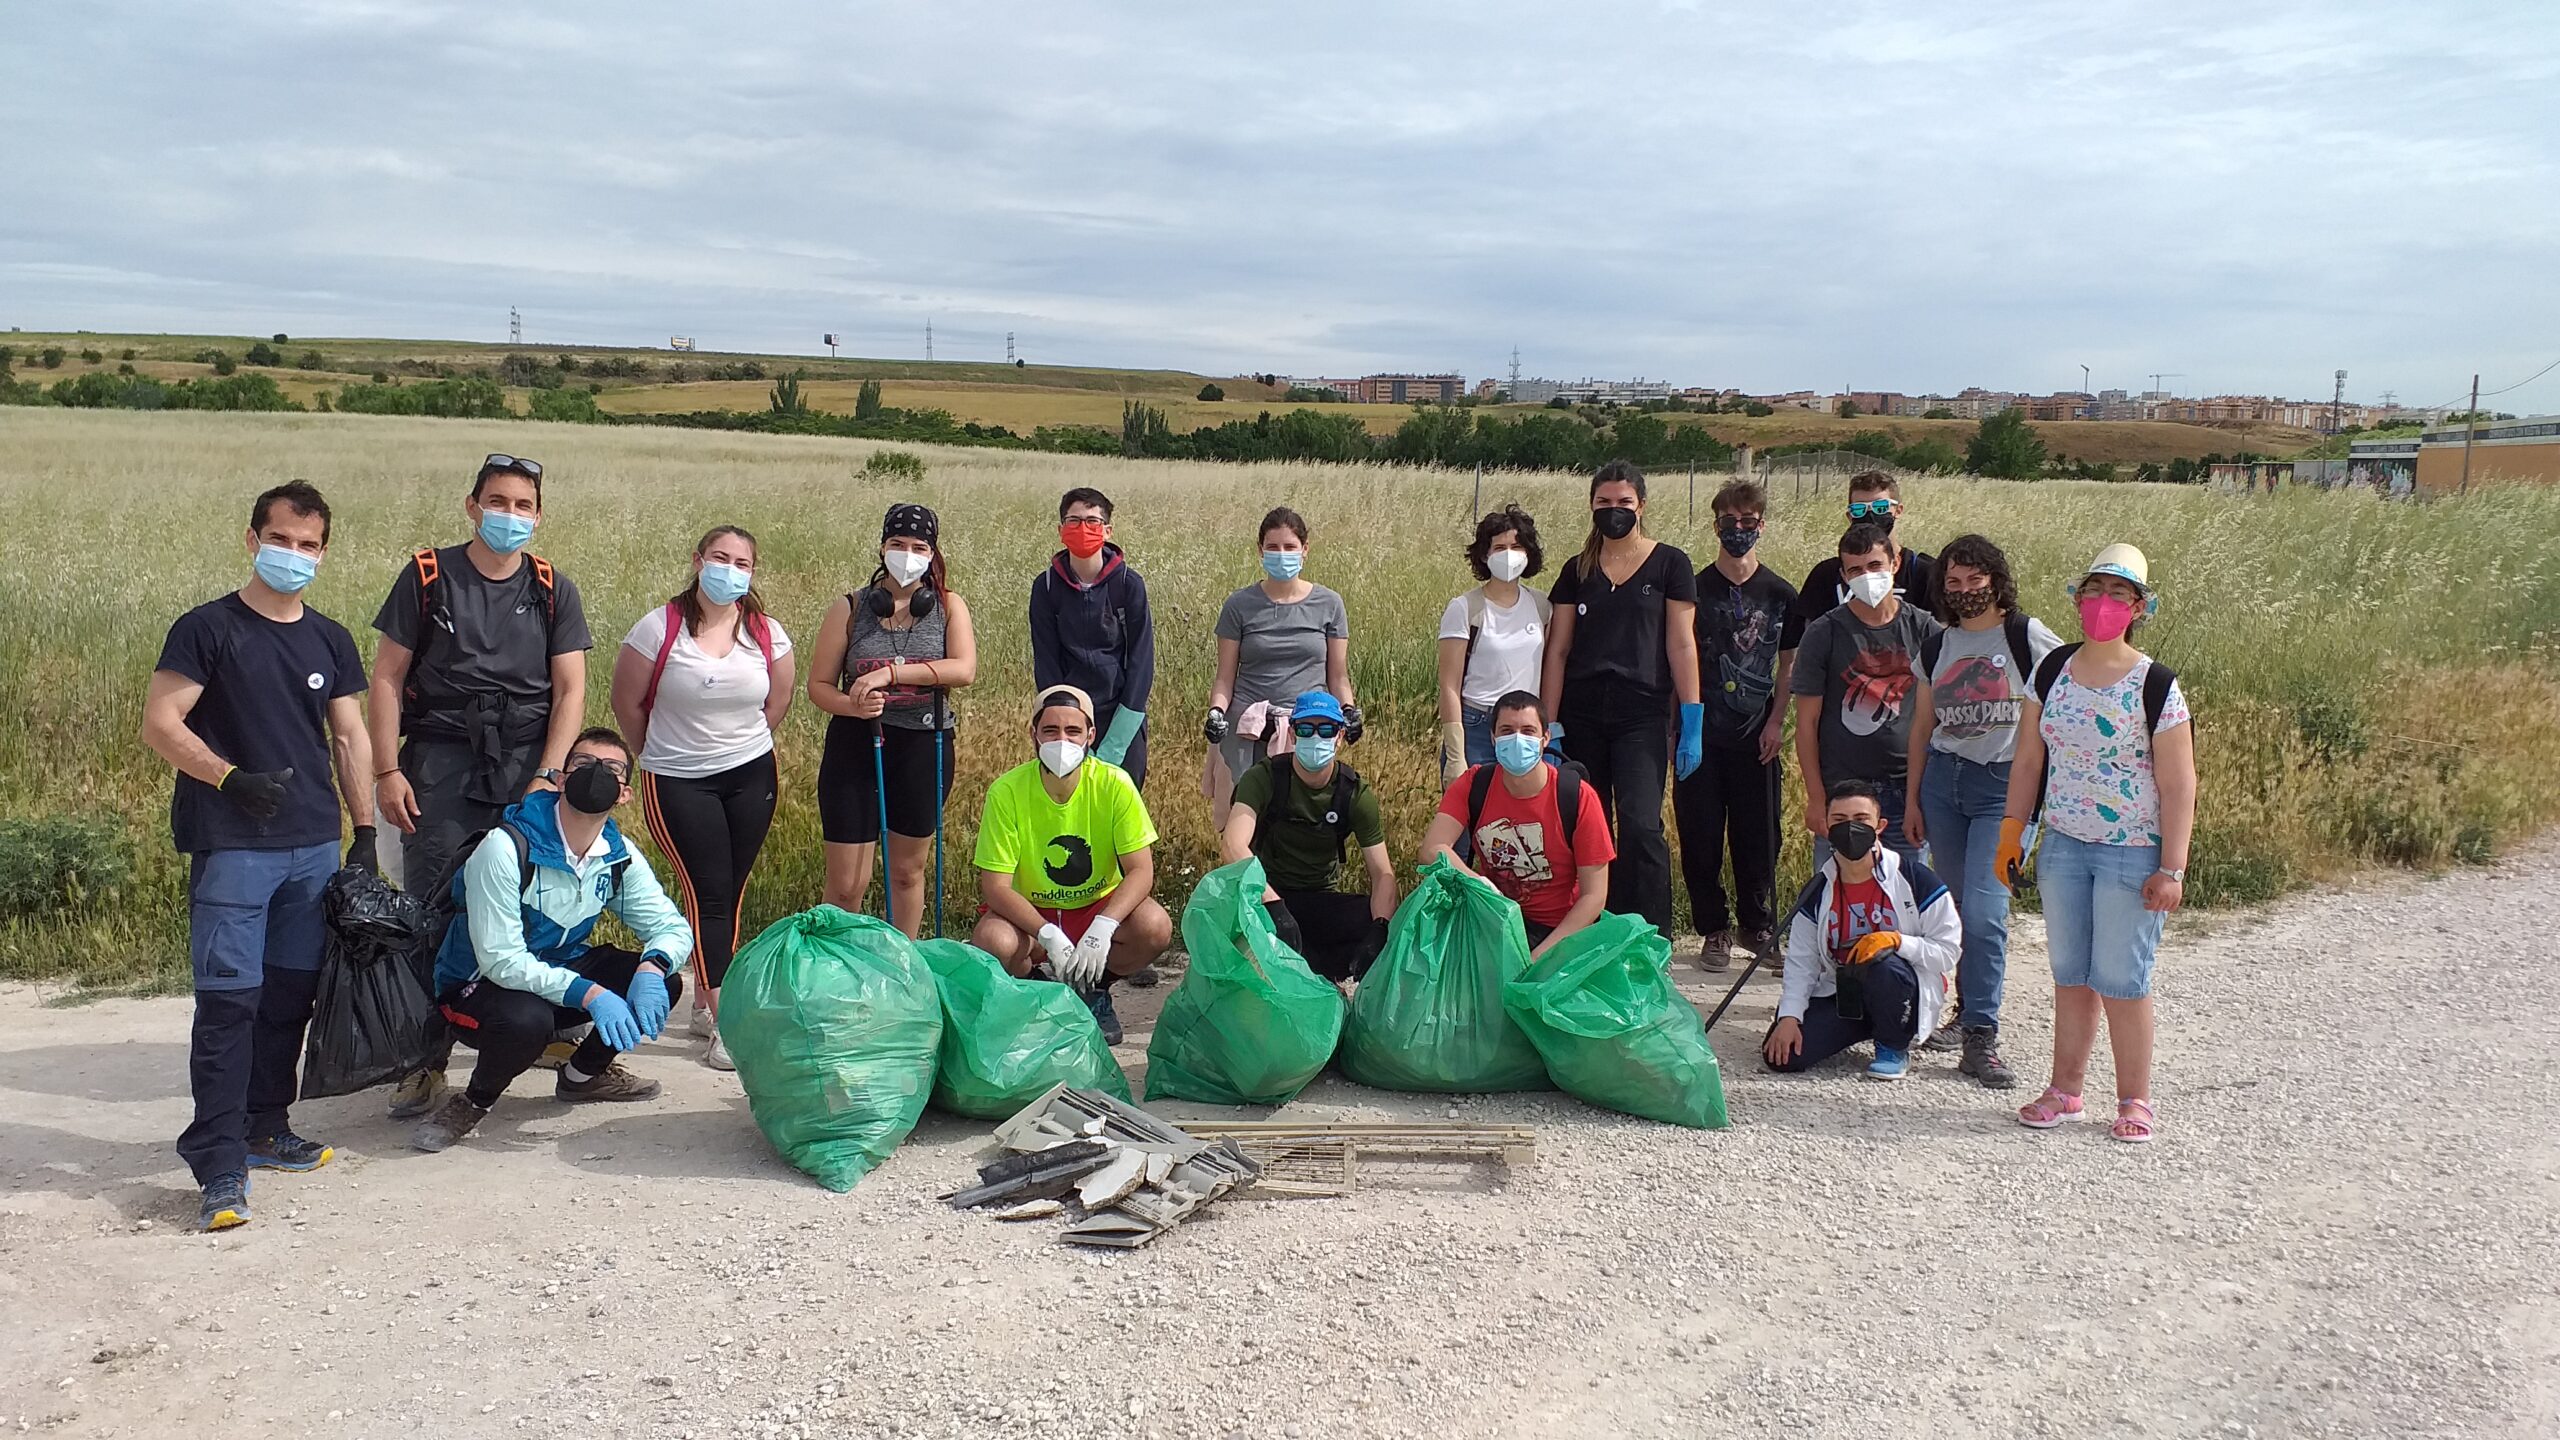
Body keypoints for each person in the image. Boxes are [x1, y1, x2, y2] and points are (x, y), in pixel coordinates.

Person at [142, 481, 377, 1231]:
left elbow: (349, 735)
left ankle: (266, 1127)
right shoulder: (207, 629)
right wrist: (228, 779)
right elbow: (160, 721)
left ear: (324, 552)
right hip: (233, 845)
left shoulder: (331, 638)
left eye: (308, 546)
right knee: (227, 1008)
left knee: (286, 1001)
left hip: (313, 845)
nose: (294, 556)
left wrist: (365, 831)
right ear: (252, 540)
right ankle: (216, 1165)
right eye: (281, 540)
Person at [370, 454, 593, 1120]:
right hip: (439, 763)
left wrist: (551, 775)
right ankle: (422, 1062)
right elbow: (386, 677)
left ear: (539, 514)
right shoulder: (428, 576)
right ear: (472, 506)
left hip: (529, 766)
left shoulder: (554, 587)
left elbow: (572, 689)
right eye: (498, 502)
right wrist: (387, 769)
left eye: (523, 506)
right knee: (431, 910)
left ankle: (550, 1042)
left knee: (542, 905)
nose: (510, 517)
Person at [409, 728, 698, 1152]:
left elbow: (672, 927)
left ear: (624, 795)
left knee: (666, 980)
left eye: (612, 769)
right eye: (583, 764)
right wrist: (591, 993)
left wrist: (654, 966)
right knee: (527, 1021)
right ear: (560, 780)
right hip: (476, 986)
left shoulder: (617, 854)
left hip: (557, 971)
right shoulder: (505, 847)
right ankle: (473, 1101)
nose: (596, 774)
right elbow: (501, 960)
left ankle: (583, 1077)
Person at [2003, 545, 2195, 1144]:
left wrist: (2172, 868)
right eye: (2094, 591)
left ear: (2139, 606)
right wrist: (2013, 833)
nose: (2103, 604)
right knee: (2071, 974)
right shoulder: (2051, 669)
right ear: (2077, 597)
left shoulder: (2156, 684)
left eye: (2118, 594)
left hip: (2129, 851)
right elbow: (2029, 758)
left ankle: (2135, 1099)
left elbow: (2178, 782)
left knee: (2122, 979)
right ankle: (2065, 1089)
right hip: (2064, 845)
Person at [609, 525, 793, 1071]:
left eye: (742, 562)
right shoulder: (657, 627)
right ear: (697, 560)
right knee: (708, 893)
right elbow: (628, 703)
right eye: (720, 557)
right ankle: (724, 1018)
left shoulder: (765, 632)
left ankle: (703, 1000)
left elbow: (776, 701)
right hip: (678, 780)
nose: (730, 570)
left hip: (751, 775)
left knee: (731, 891)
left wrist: (743, 746)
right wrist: (658, 755)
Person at [1903, 534, 2062, 1091]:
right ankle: (1966, 1014)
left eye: (1976, 580)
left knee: (1989, 913)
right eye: (1953, 582)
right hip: (1945, 785)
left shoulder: (2027, 636)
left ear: (1996, 580)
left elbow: (2067, 692)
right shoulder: (1936, 646)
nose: (1965, 591)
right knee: (1955, 909)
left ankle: (1981, 1038)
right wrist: (1913, 800)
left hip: (2003, 789)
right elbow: (1922, 728)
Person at [1539, 461, 1703, 932]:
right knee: (1589, 827)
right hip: (1583, 711)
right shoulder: (1578, 570)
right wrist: (1549, 724)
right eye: (1604, 503)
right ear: (1592, 507)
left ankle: (1649, 933)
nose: (1614, 511)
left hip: (1642, 713)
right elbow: (1559, 650)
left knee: (1640, 825)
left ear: (1642, 506)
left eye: (1624, 503)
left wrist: (1691, 716)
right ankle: (1593, 927)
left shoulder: (1671, 563)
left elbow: (1681, 643)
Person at [970, 686, 1175, 1045]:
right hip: (1032, 912)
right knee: (994, 941)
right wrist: (1047, 934)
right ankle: (1038, 989)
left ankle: (1094, 986)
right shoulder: (1007, 791)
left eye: (1073, 731)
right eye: (1050, 731)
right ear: (1033, 733)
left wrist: (1103, 926)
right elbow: (996, 886)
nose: (1061, 740)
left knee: (1155, 927)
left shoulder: (1114, 784)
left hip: (1095, 905)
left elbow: (1142, 870)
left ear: (1090, 735)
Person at [809, 503, 977, 936]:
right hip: (856, 743)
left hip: (924, 743)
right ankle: (836, 969)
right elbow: (820, 686)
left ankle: (902, 966)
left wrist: (892, 673)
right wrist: (853, 706)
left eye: (918, 546)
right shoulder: (849, 607)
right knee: (847, 884)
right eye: (897, 544)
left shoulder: (948, 606)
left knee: (906, 873)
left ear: (932, 553)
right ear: (882, 547)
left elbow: (963, 669)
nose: (907, 554)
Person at [1672, 481, 1796, 972]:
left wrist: (1777, 722)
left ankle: (1757, 924)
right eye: (1729, 521)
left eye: (1748, 522)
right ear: (1715, 525)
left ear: (1761, 526)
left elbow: (1789, 665)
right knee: (1700, 833)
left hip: (1756, 736)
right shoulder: (1694, 589)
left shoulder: (1780, 592)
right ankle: (1713, 929)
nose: (1738, 530)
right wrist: (1684, 728)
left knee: (1761, 834)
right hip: (1699, 733)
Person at [1762, 781, 1962, 1081]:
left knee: (1882, 962)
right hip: (1844, 992)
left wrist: (1896, 941)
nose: (1850, 829)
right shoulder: (1817, 891)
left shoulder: (1917, 880)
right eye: (1839, 821)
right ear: (1826, 826)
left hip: (1899, 985)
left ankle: (1893, 1044)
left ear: (1879, 826)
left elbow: (1948, 952)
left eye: (1861, 820)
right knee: (1782, 1057)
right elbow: (1801, 963)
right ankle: (1863, 1027)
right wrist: (1789, 1017)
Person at [1418, 691, 1615, 958]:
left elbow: (1594, 897)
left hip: (1557, 931)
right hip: (1494, 920)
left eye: (1528, 730)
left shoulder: (1577, 797)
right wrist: (1477, 882)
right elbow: (1432, 849)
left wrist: (1537, 959)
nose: (1517, 739)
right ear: (1493, 737)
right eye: (1507, 730)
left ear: (1545, 738)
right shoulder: (1474, 785)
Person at [1789, 521, 1942, 865]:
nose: (1867, 576)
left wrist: (1919, 798)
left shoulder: (1925, 629)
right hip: (1843, 793)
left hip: (1906, 791)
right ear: (1843, 576)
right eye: (1855, 570)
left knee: (1907, 899)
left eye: (1875, 566)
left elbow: (1935, 717)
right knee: (1838, 898)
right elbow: (1806, 725)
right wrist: (1816, 798)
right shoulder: (1824, 632)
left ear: (1895, 564)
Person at [1219, 691, 1396, 981]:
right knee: (1251, 930)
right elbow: (1232, 846)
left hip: (1319, 899)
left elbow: (1383, 873)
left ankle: (1316, 976)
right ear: (1292, 734)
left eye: (1326, 729)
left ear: (1339, 737)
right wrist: (1273, 904)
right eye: (1306, 729)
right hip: (1266, 897)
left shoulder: (1354, 793)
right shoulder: (1263, 778)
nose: (1316, 737)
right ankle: (1302, 973)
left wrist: (1380, 927)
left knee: (1382, 925)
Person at [1205, 507, 1354, 829]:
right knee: (1244, 821)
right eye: (1273, 547)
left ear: (1305, 550)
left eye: (1289, 547)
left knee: (1301, 818)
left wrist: (1349, 710)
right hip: (1247, 727)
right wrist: (1216, 713)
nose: (1281, 554)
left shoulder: (1329, 604)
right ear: (1260, 550)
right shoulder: (1239, 605)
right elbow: (1224, 677)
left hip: (1307, 726)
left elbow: (1338, 676)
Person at [1030, 486, 1155, 788]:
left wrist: (1116, 741)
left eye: (1092, 521)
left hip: (1121, 713)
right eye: (1073, 521)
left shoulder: (1129, 584)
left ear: (1108, 530)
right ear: (1061, 530)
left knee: (1121, 809)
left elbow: (1141, 662)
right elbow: (1046, 661)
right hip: (1066, 716)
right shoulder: (1046, 587)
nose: (1082, 529)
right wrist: (1064, 725)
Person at [1435, 505, 1549, 786]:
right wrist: (1456, 753)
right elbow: (1449, 685)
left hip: (1526, 729)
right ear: (1485, 555)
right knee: (1472, 819)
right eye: (1499, 547)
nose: (1509, 554)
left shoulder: (1542, 605)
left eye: (1516, 546)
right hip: (1477, 726)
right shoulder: (1465, 608)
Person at [1782, 470, 1937, 650]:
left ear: (1898, 510)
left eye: (1880, 507)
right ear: (1850, 516)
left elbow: (1938, 641)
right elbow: (1806, 641)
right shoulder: (1825, 574)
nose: (1870, 516)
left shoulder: (1924, 572)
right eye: (1859, 509)